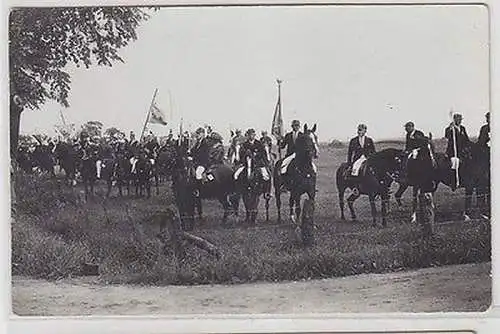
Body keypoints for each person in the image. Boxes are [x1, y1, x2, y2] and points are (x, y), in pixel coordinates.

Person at [445, 113, 470, 190]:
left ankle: (466, 179)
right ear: (454, 120)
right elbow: (447, 136)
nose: (459, 121)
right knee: (455, 164)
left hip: (462, 151)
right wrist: (450, 129)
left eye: (460, 120)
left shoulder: (462, 128)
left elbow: (466, 139)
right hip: (453, 151)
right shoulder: (450, 128)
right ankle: (453, 182)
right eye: (458, 119)